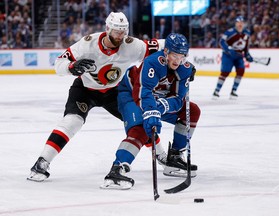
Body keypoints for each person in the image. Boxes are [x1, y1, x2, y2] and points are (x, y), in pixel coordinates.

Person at [27, 12, 166, 182]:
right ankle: (42, 162)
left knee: (141, 121)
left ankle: (162, 155)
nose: (120, 36)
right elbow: (58, 64)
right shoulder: (87, 44)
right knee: (72, 121)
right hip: (85, 90)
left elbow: (162, 46)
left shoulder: (132, 45)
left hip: (115, 92)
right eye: (116, 31)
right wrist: (71, 67)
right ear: (108, 29)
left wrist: (180, 52)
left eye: (123, 31)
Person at [101, 33, 201, 190]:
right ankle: (117, 169)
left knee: (192, 111)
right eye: (175, 55)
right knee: (141, 128)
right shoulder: (153, 62)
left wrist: (159, 107)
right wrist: (151, 111)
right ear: (166, 51)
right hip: (131, 93)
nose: (178, 60)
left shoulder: (185, 69)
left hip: (155, 100)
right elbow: (143, 91)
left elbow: (178, 99)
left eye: (182, 56)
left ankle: (174, 157)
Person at [212, 16, 254, 99]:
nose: (240, 24)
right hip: (228, 56)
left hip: (239, 56)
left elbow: (246, 46)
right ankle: (216, 91)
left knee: (240, 71)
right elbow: (221, 41)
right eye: (238, 22)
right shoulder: (229, 32)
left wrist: (247, 54)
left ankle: (233, 91)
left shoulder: (247, 33)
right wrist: (228, 49)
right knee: (225, 72)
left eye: (241, 22)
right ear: (235, 23)